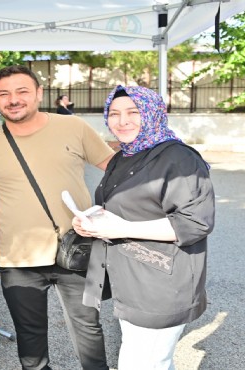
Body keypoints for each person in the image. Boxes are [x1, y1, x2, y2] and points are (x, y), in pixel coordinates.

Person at [0, 65, 113, 370]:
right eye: (4, 94)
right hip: (18, 258)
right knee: (30, 337)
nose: (13, 100)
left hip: (75, 248)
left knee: (88, 329)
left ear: (38, 93)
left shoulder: (73, 128)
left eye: (22, 91)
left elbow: (114, 168)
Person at [73, 85, 215, 370]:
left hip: (161, 283)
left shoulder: (179, 159)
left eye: (132, 112)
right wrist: (90, 219)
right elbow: (116, 207)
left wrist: (121, 228)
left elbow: (195, 222)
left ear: (152, 113)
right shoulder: (122, 156)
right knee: (153, 361)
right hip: (130, 279)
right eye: (114, 113)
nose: (121, 121)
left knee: (141, 363)